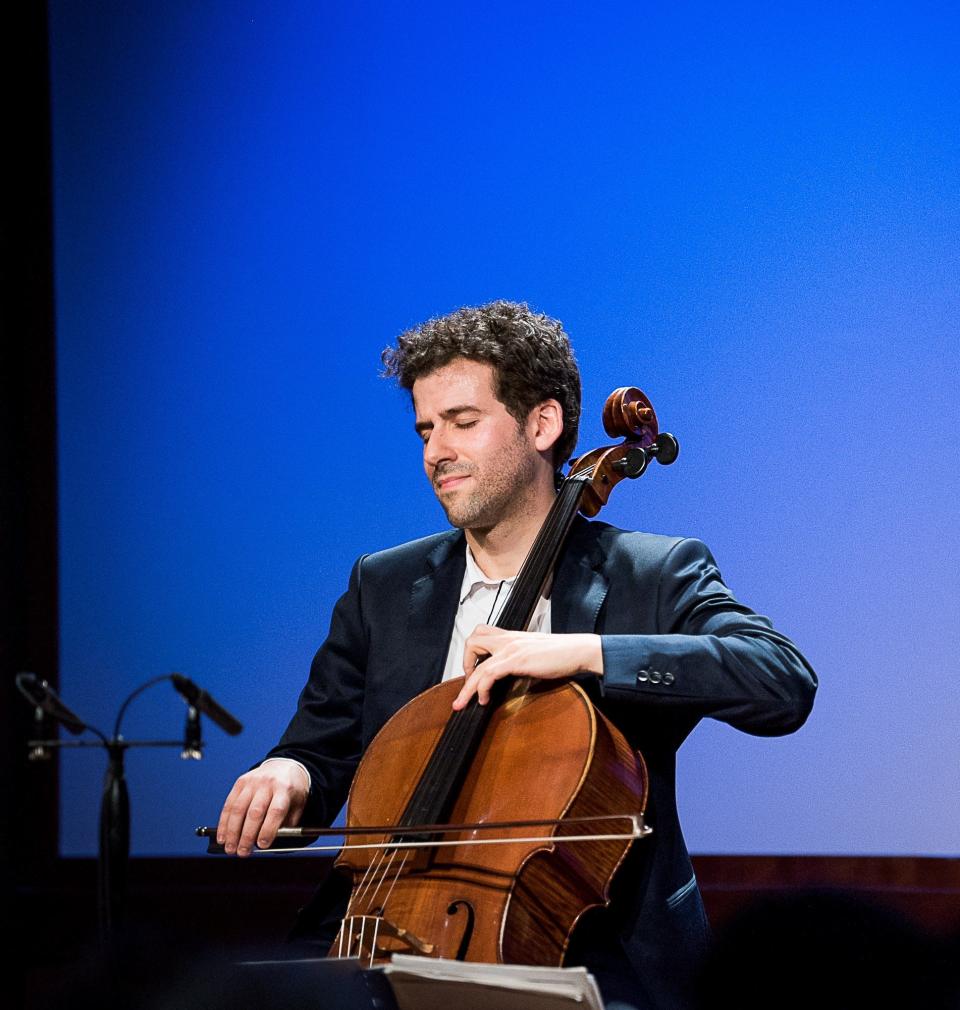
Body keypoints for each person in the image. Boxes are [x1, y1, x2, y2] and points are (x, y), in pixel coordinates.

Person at [217, 300, 817, 1010]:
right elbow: (322, 748)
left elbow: (782, 680)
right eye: (426, 430)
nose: (437, 451)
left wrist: (584, 652)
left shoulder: (650, 572)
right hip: (378, 930)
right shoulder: (383, 584)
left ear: (543, 424)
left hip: (596, 946)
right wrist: (288, 770)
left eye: (464, 423)